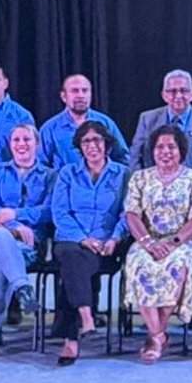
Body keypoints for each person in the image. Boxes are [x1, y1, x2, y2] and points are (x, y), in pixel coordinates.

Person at [123, 126, 192, 362]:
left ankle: (154, 335)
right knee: (140, 265)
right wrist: (148, 243)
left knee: (177, 267)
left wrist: (173, 243)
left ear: (181, 150)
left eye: (171, 146)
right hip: (146, 240)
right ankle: (159, 334)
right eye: (160, 147)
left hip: (181, 241)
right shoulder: (140, 178)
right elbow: (131, 215)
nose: (165, 151)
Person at [49, 123, 127, 366]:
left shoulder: (123, 174)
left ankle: (72, 338)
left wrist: (114, 238)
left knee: (73, 268)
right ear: (79, 147)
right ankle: (85, 314)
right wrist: (83, 238)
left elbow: (128, 213)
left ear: (107, 144)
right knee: (73, 256)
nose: (92, 146)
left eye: (97, 141)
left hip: (106, 245)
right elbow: (60, 212)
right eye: (86, 142)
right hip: (71, 240)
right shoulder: (67, 174)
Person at [0, 122, 53, 356]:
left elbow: (50, 210)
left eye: (27, 140)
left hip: (30, 244)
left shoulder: (50, 175)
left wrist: (16, 213)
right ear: (10, 145)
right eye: (17, 140)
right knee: (1, 236)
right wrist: (16, 226)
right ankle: (22, 287)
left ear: (37, 145)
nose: (22, 144)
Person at [131, 69, 192, 178]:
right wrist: (144, 185)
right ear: (163, 95)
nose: (178, 95)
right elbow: (135, 157)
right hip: (153, 190)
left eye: (184, 90)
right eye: (172, 91)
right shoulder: (147, 120)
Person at [39, 74, 131, 170]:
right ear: (63, 96)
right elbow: (41, 166)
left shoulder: (106, 123)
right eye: (75, 91)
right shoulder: (50, 129)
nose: (81, 95)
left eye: (85, 90)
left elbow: (123, 158)